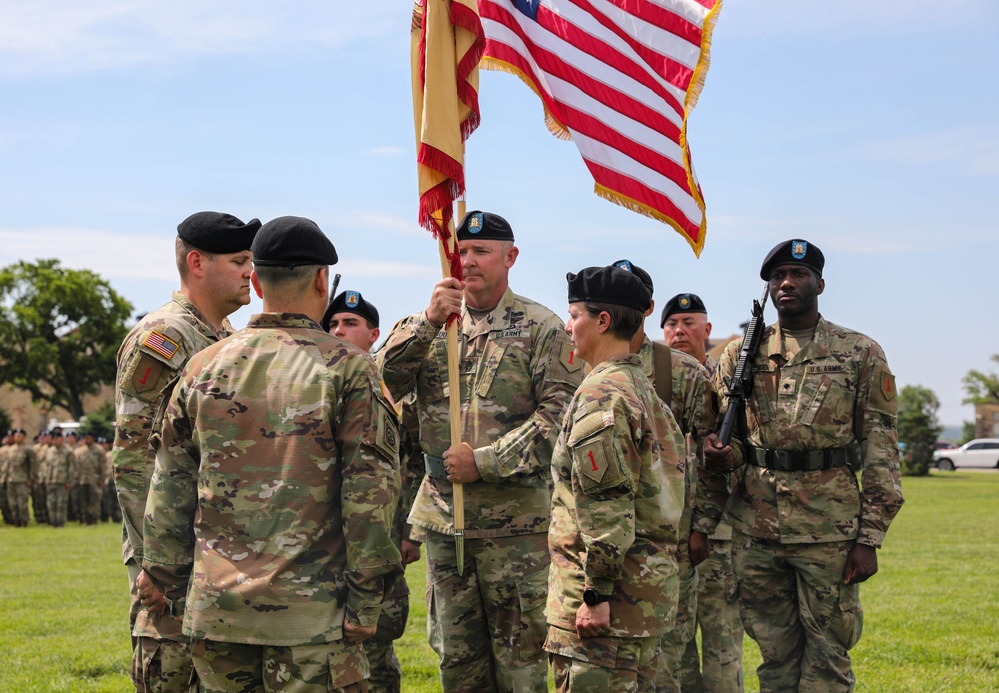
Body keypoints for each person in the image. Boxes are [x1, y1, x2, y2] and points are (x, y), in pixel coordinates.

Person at [142, 215, 402, 692]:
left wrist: (162, 577)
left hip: (217, 612)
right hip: (311, 620)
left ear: (257, 281)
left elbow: (169, 488)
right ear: (322, 280)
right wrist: (368, 599)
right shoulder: (347, 368)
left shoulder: (203, 365)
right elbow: (370, 494)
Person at [380, 210, 583, 692]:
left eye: (481, 251)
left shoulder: (542, 328)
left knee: (523, 660)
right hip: (446, 522)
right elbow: (384, 379)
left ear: (510, 257)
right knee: (456, 659)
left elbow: (561, 417)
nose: (468, 261)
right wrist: (429, 322)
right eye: (461, 252)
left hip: (515, 525)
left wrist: (487, 461)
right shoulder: (429, 326)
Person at [694, 239, 905, 692]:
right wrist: (718, 453)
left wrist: (870, 537)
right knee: (775, 656)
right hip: (757, 529)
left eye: (798, 274)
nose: (786, 283)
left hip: (829, 531)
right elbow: (730, 445)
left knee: (829, 654)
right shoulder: (738, 356)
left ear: (820, 284)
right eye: (777, 277)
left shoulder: (859, 352)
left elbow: (881, 448)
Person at [113, 210, 259, 692]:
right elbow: (134, 459)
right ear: (197, 262)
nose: (249, 271)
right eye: (238, 261)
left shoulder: (226, 339)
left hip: (217, 553)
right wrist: (156, 565)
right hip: (174, 563)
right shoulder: (168, 338)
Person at [546, 266, 685, 691]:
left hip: (608, 609)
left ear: (602, 321)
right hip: (641, 599)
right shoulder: (639, 386)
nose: (567, 327)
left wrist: (596, 594)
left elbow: (607, 505)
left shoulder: (601, 395)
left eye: (574, 315)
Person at [606, 262, 718, 693]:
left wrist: (702, 527)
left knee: (667, 656)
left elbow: (715, 461)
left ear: (647, 308)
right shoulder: (578, 367)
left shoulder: (682, 373)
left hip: (665, 545)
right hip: (602, 538)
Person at [324, 289, 421, 693]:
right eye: (332, 324)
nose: (339, 330)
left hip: (381, 542)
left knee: (377, 649)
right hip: (328, 545)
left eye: (350, 324)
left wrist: (410, 531)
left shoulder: (390, 394)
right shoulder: (317, 383)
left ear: (373, 334)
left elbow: (415, 465)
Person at [662, 292, 744, 692]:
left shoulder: (729, 382)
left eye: (689, 323)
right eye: (672, 325)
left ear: (707, 331)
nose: (680, 331)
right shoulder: (655, 382)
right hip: (671, 534)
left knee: (722, 642)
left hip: (720, 534)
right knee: (674, 649)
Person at [5, 428, 36, 527]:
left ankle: (24, 520)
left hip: (23, 479)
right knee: (12, 503)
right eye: (16, 436)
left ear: (24, 438)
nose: (17, 438)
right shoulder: (10, 449)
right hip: (11, 479)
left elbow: (32, 465)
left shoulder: (28, 449)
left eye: (19, 436)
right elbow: (8, 465)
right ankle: (16, 520)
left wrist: (31, 478)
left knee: (22, 503)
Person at [75, 431, 106, 525]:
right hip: (83, 480)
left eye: (88, 438)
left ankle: (94, 519)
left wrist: (102, 480)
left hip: (94, 480)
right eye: (85, 438)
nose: (86, 440)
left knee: (94, 501)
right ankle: (86, 520)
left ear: (92, 438)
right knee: (84, 501)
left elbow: (103, 467)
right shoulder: (80, 451)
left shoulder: (99, 450)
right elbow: (77, 466)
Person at [45, 431, 75, 527]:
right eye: (53, 439)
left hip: (62, 481)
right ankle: (53, 521)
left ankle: (60, 522)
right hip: (51, 481)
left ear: (62, 439)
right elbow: (48, 467)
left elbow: (71, 467)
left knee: (61, 503)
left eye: (57, 439)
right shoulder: (50, 451)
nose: (54, 441)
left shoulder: (68, 451)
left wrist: (69, 481)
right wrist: (47, 479)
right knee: (51, 502)